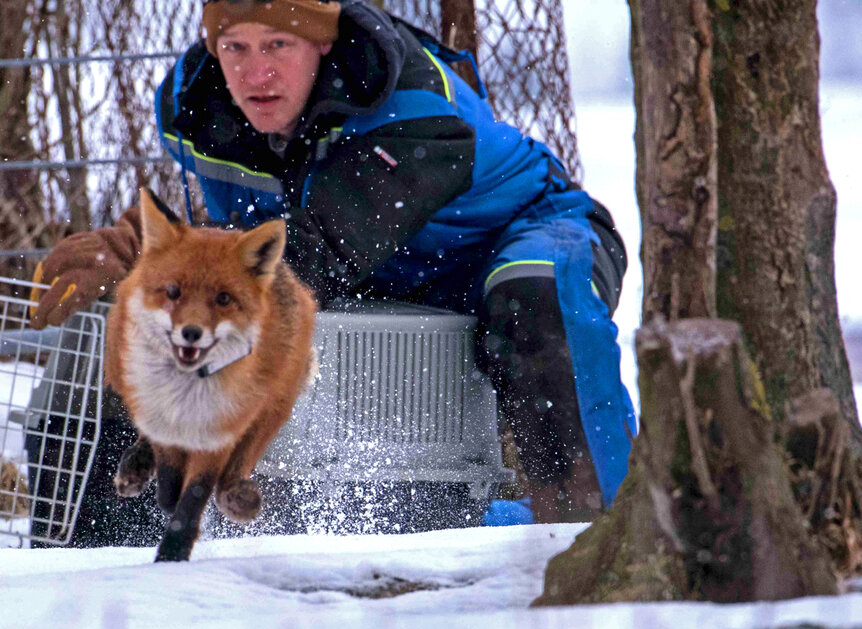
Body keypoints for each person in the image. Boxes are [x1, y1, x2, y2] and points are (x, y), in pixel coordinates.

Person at [30, 0, 636, 535]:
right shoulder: (192, 108)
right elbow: (240, 240)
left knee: (535, 295)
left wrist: (153, 270)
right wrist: (142, 246)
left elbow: (310, 257)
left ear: (321, 42)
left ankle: (600, 527)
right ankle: (441, 520)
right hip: (377, 266)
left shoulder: (414, 111)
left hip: (528, 233)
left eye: (277, 46)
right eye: (234, 47)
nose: (255, 72)